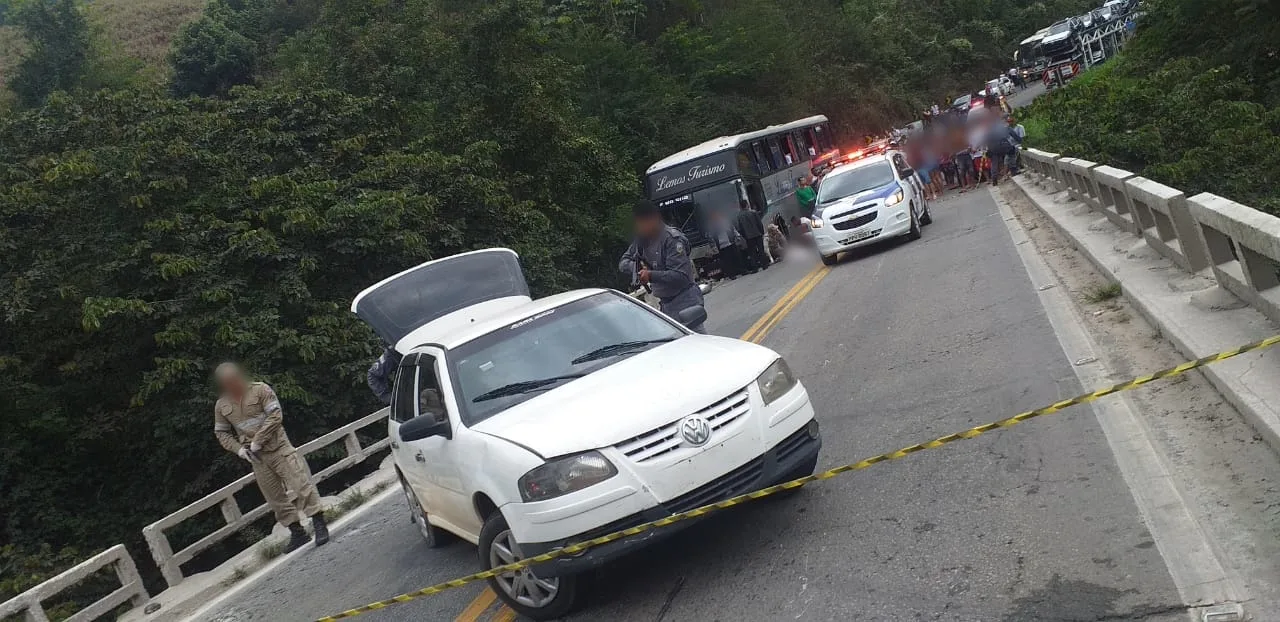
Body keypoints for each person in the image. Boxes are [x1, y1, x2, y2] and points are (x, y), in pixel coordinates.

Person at [213, 362, 327, 553]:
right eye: (227, 381)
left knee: (300, 485)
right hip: (257, 457)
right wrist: (239, 450)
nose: (231, 383)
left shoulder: (260, 390)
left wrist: (259, 439)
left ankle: (318, 522)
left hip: (278, 448)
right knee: (274, 497)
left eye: (233, 378)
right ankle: (297, 531)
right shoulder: (222, 405)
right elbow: (222, 433)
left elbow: (275, 415)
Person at [619, 200, 707, 333]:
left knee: (696, 342)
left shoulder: (672, 239)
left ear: (655, 219)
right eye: (639, 224)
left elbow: (680, 276)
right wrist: (637, 268)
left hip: (685, 300)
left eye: (644, 223)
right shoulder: (642, 242)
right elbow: (623, 262)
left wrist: (650, 275)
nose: (641, 228)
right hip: (665, 304)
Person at [709, 211, 744, 280]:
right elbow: (711, 238)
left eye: (717, 215)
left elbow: (733, 229)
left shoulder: (725, 221)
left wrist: (738, 236)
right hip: (722, 246)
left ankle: (742, 270)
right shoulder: (711, 227)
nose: (716, 217)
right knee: (727, 261)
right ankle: (731, 275)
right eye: (714, 216)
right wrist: (713, 247)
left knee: (737, 256)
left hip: (731, 242)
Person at [735, 201, 769, 271]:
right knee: (761, 250)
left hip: (749, 237)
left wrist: (745, 236)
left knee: (752, 253)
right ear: (747, 205)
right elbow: (759, 223)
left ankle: (755, 267)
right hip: (757, 234)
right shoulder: (753, 212)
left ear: (741, 207)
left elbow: (739, 228)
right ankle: (764, 265)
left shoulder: (739, 216)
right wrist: (761, 232)